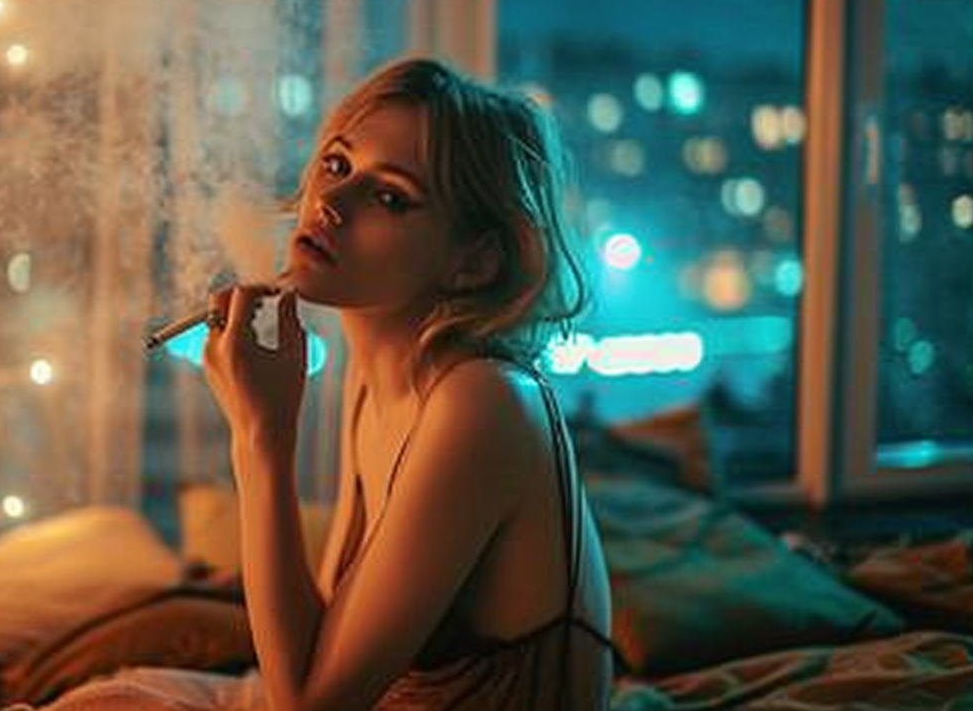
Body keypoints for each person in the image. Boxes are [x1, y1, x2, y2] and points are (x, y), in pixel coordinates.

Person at [44, 57, 614, 710]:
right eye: (338, 166)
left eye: (390, 196)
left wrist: (262, 436)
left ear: (474, 261)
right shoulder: (375, 381)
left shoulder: (481, 403)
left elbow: (310, 702)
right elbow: (316, 648)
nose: (331, 203)